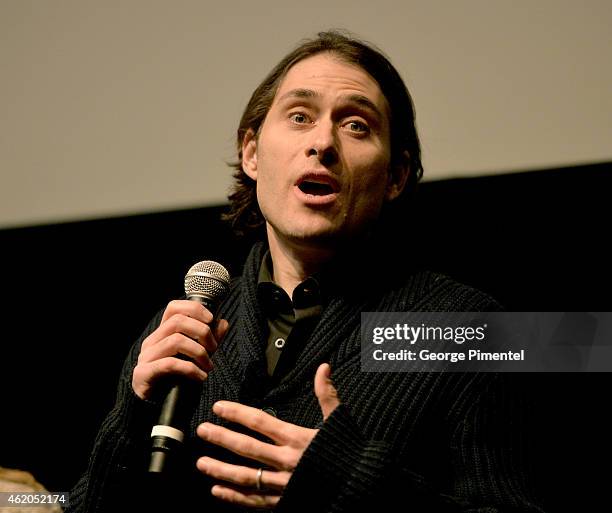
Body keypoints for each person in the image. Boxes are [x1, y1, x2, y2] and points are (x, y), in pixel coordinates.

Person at [67, 30, 544, 512]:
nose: (322, 142)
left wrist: (354, 486)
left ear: (395, 176)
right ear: (252, 153)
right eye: (299, 116)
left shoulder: (461, 326)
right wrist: (133, 414)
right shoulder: (185, 326)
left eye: (357, 125)